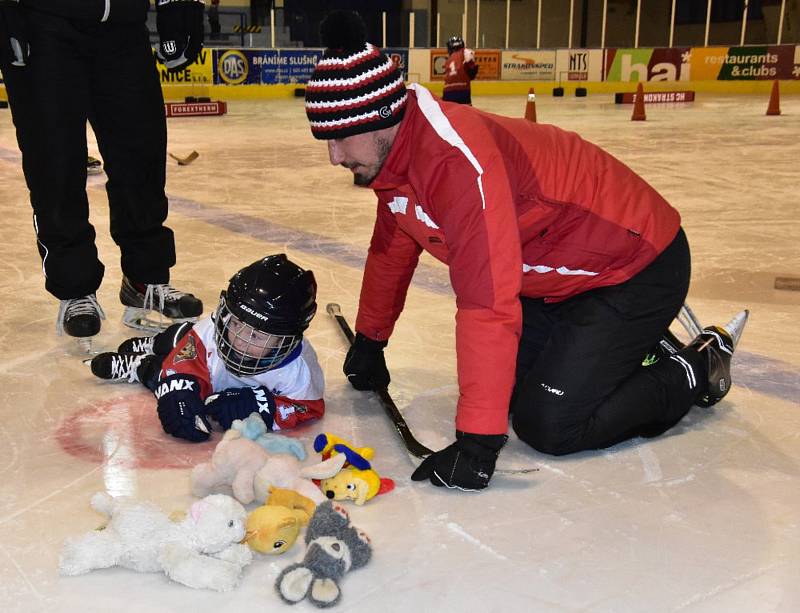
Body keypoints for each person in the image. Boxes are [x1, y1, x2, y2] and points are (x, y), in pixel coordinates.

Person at [304, 11, 748, 492]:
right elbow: (392, 247)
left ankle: (697, 364)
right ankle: (637, 346)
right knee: (512, 392)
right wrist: (372, 339)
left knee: (549, 423)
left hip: (634, 266)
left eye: (339, 137)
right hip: (556, 278)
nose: (333, 156)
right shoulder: (395, 160)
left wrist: (478, 441)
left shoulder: (456, 163)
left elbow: (487, 300)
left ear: (380, 118)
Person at [0, 0, 206, 341]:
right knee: (55, 163)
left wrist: (179, 5)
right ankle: (74, 287)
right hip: (44, 23)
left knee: (141, 155)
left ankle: (146, 279)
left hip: (125, 25)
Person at [89, 254, 325, 442]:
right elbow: (181, 368)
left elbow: (308, 407)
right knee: (173, 348)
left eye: (258, 334)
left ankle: (145, 360)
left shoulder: (299, 369)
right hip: (202, 364)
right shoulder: (209, 333)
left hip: (214, 381)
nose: (241, 339)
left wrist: (266, 408)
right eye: (235, 323)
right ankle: (145, 358)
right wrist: (176, 392)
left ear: (287, 337)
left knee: (178, 365)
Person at [441, 35, 478, 105]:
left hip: (447, 91)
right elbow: (472, 73)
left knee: (449, 113)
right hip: (463, 89)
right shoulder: (465, 52)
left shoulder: (448, 60)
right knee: (466, 113)